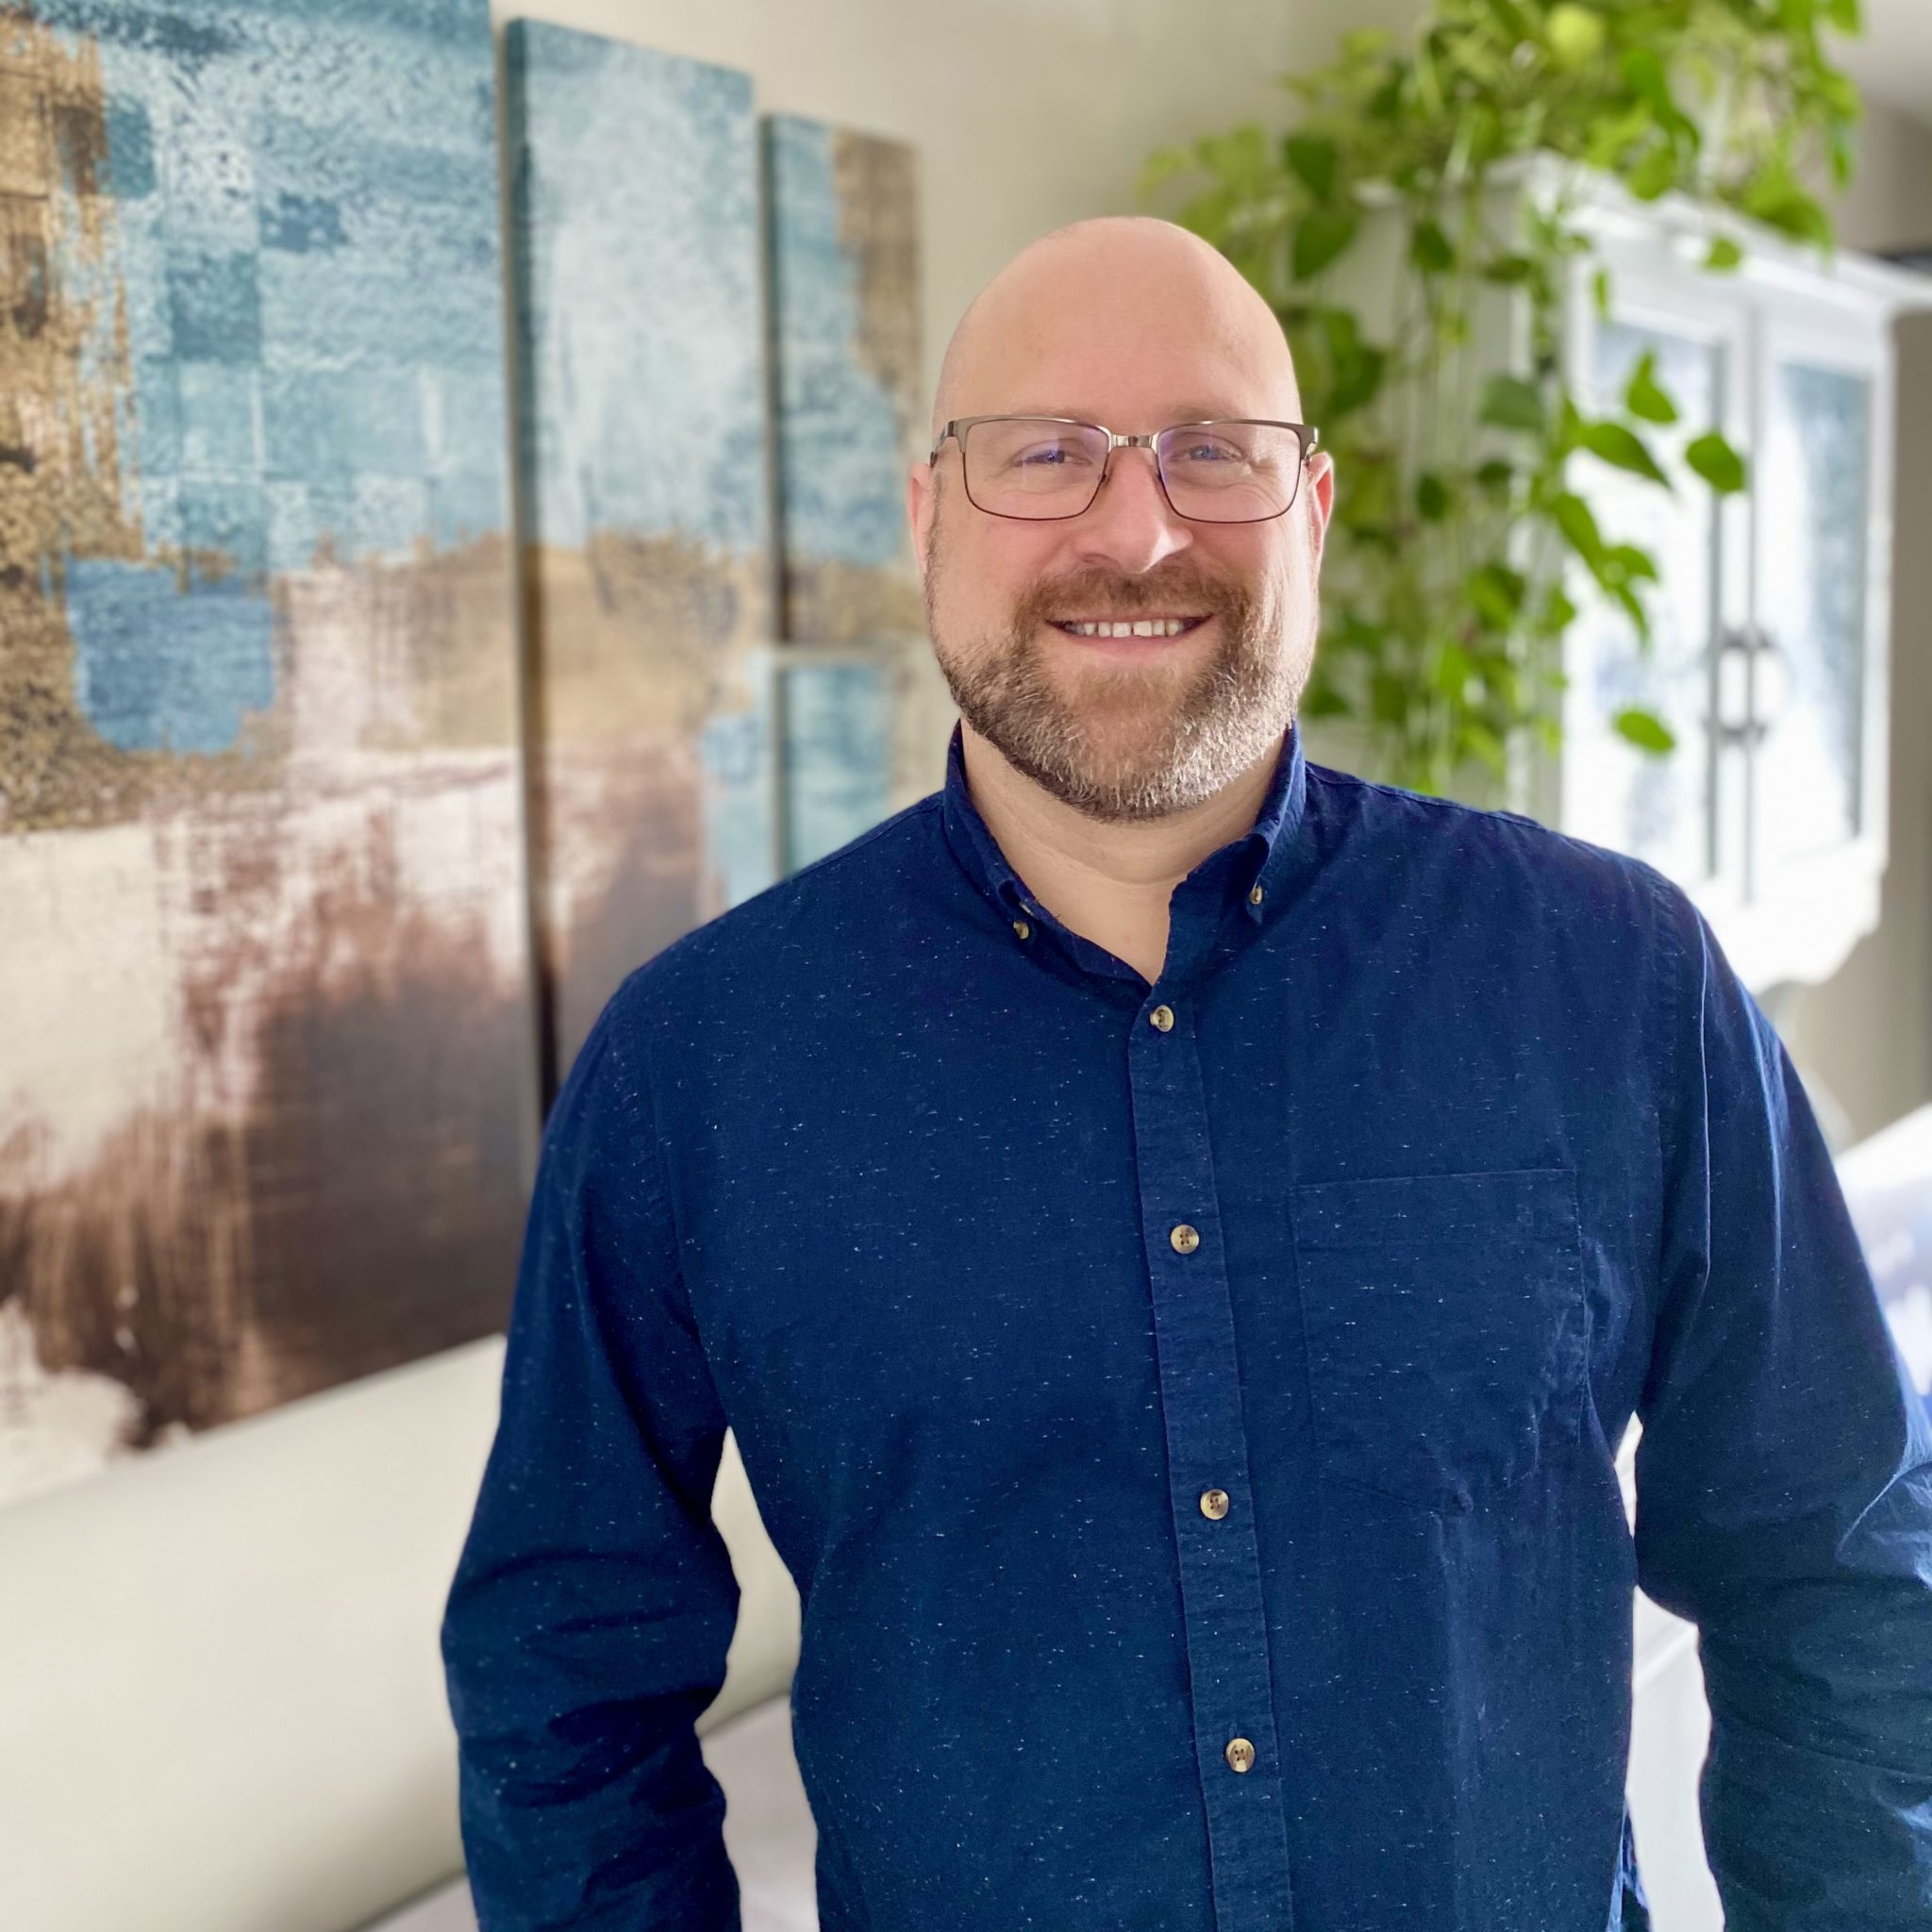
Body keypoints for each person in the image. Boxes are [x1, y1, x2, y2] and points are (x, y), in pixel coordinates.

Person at [440, 216, 1932, 1931]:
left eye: (1213, 452)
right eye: (1045, 455)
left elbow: (1839, 1572)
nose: (1136, 530)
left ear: (1314, 512)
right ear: (931, 519)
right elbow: (565, 1683)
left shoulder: (1618, 980)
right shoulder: (695, 1069)